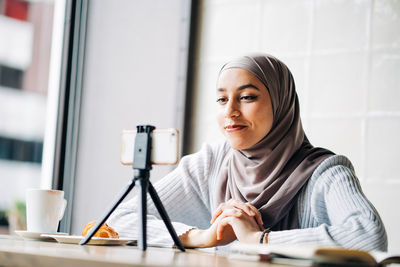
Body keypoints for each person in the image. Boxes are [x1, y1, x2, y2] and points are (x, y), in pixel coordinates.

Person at [107, 53, 387, 251]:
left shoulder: (323, 172)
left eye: (247, 97)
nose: (230, 111)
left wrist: (259, 239)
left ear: (281, 103)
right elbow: (120, 220)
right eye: (221, 99)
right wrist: (203, 237)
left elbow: (369, 237)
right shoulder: (211, 163)